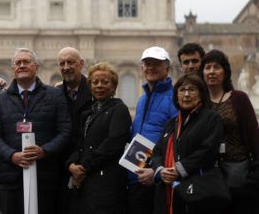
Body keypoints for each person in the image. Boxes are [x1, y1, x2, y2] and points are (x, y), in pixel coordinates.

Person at [0, 48, 70, 214]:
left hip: (45, 177)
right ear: (13, 69)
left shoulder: (55, 96)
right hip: (10, 179)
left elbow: (65, 131)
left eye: (26, 62)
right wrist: (12, 155)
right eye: (18, 63)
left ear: (36, 67)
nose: (22, 65)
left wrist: (44, 151)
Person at [146, 74, 222, 214]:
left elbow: (208, 150)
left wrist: (179, 169)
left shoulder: (211, 118)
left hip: (195, 189)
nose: (186, 94)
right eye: (182, 90)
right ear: (176, 96)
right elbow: (157, 152)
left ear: (201, 94)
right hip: (166, 189)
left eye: (192, 90)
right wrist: (160, 170)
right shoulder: (171, 123)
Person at [65, 62, 131, 214]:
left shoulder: (119, 109)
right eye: (95, 82)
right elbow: (79, 144)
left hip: (107, 181)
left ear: (113, 87)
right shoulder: (87, 114)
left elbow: (112, 144)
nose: (99, 85)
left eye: (105, 82)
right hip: (86, 183)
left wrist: (84, 167)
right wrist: (71, 165)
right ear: (90, 87)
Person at [199, 49, 259, 213]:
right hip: (209, 171)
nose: (211, 72)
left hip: (237, 170)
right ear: (202, 72)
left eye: (216, 67)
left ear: (225, 72)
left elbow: (254, 136)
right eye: (207, 67)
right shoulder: (200, 103)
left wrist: (253, 177)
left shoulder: (239, 99)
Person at [127, 46, 178, 214]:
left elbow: (177, 142)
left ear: (167, 68)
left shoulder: (175, 98)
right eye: (147, 64)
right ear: (142, 68)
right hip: (137, 175)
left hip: (158, 178)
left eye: (156, 64)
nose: (151, 68)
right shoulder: (142, 99)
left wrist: (156, 172)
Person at [56, 46, 92, 209]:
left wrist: (80, 165)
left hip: (88, 167)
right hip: (62, 167)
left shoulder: (95, 90)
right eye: (62, 63)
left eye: (70, 62)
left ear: (81, 64)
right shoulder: (54, 93)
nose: (66, 67)